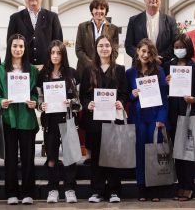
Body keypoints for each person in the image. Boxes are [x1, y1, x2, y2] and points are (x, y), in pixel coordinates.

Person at [79, 35, 128, 203]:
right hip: (95, 120)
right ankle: (97, 191)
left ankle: (114, 190)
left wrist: (120, 102)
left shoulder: (120, 69)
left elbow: (124, 93)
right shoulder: (88, 70)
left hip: (113, 118)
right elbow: (83, 95)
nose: (104, 48)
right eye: (101, 45)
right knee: (96, 158)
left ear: (112, 48)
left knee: (113, 156)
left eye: (107, 45)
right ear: (96, 48)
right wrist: (88, 104)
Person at [0, 34, 39, 205]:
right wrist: (0, 101)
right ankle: (11, 192)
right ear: (9, 48)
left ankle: (28, 192)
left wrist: (35, 101)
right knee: (10, 158)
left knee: (28, 157)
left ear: (25, 49)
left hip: (27, 118)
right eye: (15, 46)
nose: (18, 49)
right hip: (8, 118)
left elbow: (35, 93)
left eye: (21, 46)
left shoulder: (32, 70)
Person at [37, 40, 81, 204]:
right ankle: (53, 189)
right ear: (49, 55)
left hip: (68, 119)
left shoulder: (72, 73)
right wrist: (42, 105)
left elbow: (79, 101)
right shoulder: (43, 75)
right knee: (52, 157)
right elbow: (40, 100)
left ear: (63, 55)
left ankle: (70, 189)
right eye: (52, 53)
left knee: (70, 156)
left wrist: (72, 103)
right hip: (50, 121)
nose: (55, 56)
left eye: (59, 53)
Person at [126, 38, 169, 202]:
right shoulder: (130, 73)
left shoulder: (159, 71)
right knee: (140, 154)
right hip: (137, 118)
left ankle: (155, 188)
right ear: (137, 51)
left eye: (149, 52)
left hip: (154, 118)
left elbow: (164, 99)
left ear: (153, 55)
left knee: (154, 154)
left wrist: (161, 118)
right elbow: (125, 98)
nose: (145, 55)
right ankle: (141, 188)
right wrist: (132, 94)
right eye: (143, 51)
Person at [162, 33, 195, 201]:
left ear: (188, 47)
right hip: (173, 113)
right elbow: (162, 91)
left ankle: (189, 186)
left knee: (188, 152)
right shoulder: (168, 67)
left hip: (190, 113)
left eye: (182, 47)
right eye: (176, 48)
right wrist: (167, 82)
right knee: (177, 151)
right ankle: (180, 185)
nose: (179, 50)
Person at [7, 0, 63, 68]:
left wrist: (52, 66)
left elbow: (58, 44)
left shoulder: (52, 17)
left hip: (47, 67)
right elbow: (10, 44)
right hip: (23, 68)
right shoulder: (15, 18)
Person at [125, 0, 178, 64]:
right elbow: (129, 45)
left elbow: (174, 44)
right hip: (140, 66)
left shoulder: (170, 21)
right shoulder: (134, 20)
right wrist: (142, 56)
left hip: (162, 65)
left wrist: (159, 58)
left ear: (160, 0)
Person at [75, 0, 120, 80]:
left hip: (105, 70)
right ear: (92, 10)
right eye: (96, 8)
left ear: (106, 11)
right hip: (85, 69)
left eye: (102, 9)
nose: (99, 11)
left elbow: (115, 51)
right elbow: (79, 50)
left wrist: (104, 65)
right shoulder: (82, 27)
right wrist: (91, 64)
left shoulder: (113, 29)